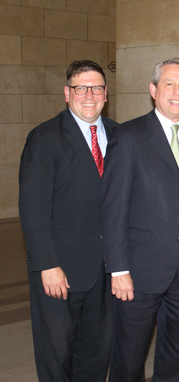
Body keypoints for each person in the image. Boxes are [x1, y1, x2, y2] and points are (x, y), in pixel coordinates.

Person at [101, 57, 179, 382]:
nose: (177, 92)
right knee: (128, 359)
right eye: (169, 84)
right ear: (154, 90)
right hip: (137, 273)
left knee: (176, 357)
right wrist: (118, 269)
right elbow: (113, 209)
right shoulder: (129, 136)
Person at [18, 60, 117, 382]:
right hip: (61, 269)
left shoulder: (119, 135)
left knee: (96, 349)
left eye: (97, 87)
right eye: (81, 88)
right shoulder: (45, 138)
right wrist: (47, 264)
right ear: (67, 93)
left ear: (106, 93)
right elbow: (33, 208)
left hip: (107, 269)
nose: (89, 95)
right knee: (56, 352)